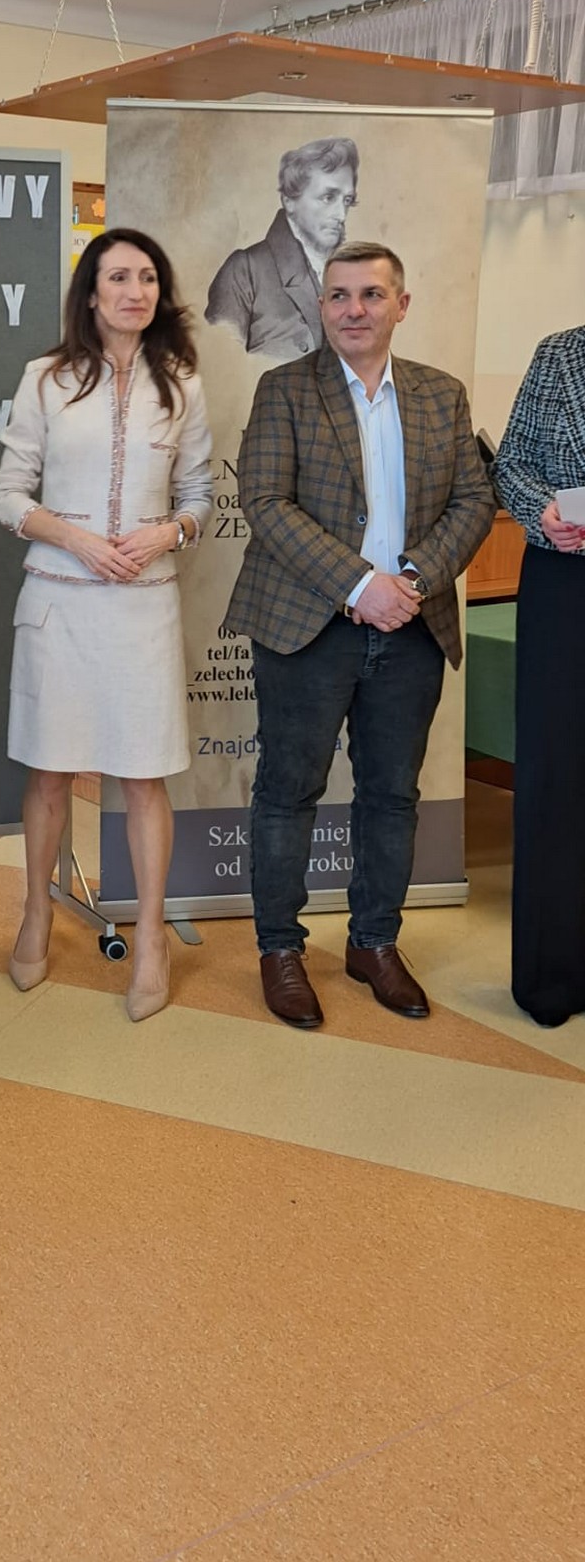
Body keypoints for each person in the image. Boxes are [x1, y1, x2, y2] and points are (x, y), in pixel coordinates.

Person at [227, 239, 495, 1029]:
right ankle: (281, 949)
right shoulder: (284, 389)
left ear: (401, 305)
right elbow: (265, 501)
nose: (354, 309)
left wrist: (409, 581)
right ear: (321, 306)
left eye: (372, 294)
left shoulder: (441, 394)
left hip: (411, 624)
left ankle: (374, 941)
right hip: (308, 625)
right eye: (339, 295)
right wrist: (358, 585)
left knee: (391, 794)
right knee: (288, 792)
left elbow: (474, 500)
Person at [0, 228, 213, 1022]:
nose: (135, 291)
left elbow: (199, 495)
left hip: (145, 603)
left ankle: (151, 936)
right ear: (91, 293)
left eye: (147, 277)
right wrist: (77, 538)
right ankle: (36, 911)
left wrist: (167, 533)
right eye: (118, 277)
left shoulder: (181, 385)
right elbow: (8, 494)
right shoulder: (45, 378)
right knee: (50, 770)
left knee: (144, 774)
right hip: (61, 600)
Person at [492, 330, 585, 1027]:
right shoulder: (559, 355)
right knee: (556, 773)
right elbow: (512, 464)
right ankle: (552, 975)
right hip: (564, 583)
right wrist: (542, 511)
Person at [205, 136, 359, 359]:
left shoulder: (352, 274)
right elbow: (220, 366)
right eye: (328, 197)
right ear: (289, 200)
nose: (341, 215)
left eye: (347, 200)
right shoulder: (246, 271)